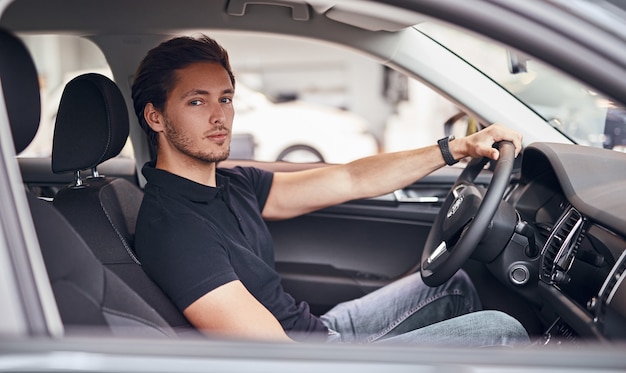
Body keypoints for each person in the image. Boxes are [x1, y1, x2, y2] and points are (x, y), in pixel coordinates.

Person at [131, 34, 528, 346]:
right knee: (500, 331)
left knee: (453, 286)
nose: (220, 116)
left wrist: (456, 148)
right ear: (156, 117)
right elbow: (273, 356)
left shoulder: (234, 184)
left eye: (226, 98)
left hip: (318, 330)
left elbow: (350, 179)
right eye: (197, 101)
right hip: (308, 357)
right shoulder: (173, 229)